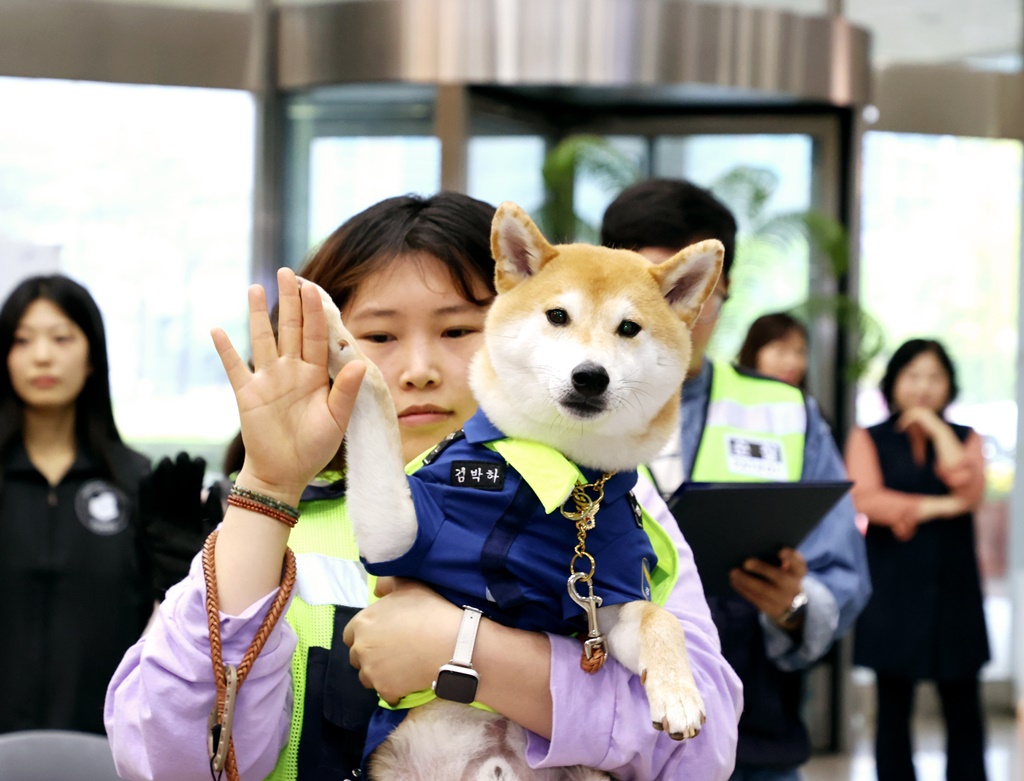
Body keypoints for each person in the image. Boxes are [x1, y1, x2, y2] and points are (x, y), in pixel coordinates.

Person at [105, 192, 743, 781]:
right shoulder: (274, 515)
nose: (417, 371)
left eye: (457, 330)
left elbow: (699, 754)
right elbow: (166, 757)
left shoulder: (614, 509)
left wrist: (469, 655)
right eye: (378, 336)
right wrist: (267, 488)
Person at [600, 178, 872, 781]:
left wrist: (794, 605)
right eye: (650, 286)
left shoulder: (784, 412)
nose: (674, 311)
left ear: (721, 292)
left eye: (694, 290)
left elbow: (840, 570)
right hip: (593, 732)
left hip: (753, 737)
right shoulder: (554, 408)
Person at [0, 274, 199, 734]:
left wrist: (185, 574)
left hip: (109, 747)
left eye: (62, 337)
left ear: (92, 356)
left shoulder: (139, 484)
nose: (42, 355)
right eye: (22, 340)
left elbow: (177, 627)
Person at [844, 338, 989, 781]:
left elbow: (970, 490)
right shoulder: (867, 437)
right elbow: (868, 500)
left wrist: (935, 427)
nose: (924, 387)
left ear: (949, 385)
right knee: (893, 697)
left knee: (963, 697)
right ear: (895, 381)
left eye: (934, 377)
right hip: (894, 579)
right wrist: (941, 508)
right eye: (914, 376)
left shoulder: (966, 437)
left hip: (953, 580)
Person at [737, 312, 809, 389]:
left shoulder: (805, 400)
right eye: (781, 351)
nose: (793, 362)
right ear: (754, 352)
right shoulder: (729, 398)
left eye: (800, 352)